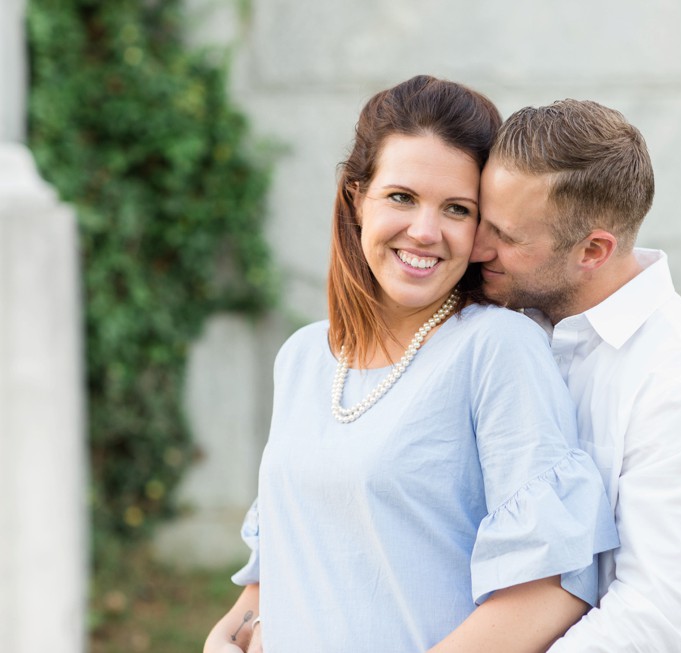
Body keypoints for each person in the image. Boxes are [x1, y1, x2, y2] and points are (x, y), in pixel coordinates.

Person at [203, 77, 618, 653]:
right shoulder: (302, 357)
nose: (425, 232)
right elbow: (281, 564)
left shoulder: (496, 348)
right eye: (401, 197)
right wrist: (229, 633)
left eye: (456, 209)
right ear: (356, 198)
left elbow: (552, 589)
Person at [470, 99, 681, 652]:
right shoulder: (506, 330)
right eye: (479, 219)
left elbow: (651, 620)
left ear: (593, 250)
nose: (476, 248)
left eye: (507, 236)